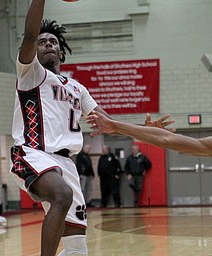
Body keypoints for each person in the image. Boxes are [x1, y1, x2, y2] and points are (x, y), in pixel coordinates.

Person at [9, 1, 173, 255]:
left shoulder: (78, 88)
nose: (48, 44)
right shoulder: (30, 74)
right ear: (33, 50)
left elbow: (108, 123)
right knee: (61, 196)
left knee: (77, 248)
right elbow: (30, 33)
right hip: (32, 153)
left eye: (53, 42)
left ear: (61, 53)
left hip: (66, 164)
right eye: (42, 42)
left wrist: (142, 128)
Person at [75, 143, 95, 207]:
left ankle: (88, 201)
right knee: (82, 189)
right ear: (83, 148)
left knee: (89, 189)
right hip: (83, 174)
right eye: (87, 148)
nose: (88, 150)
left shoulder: (88, 156)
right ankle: (82, 202)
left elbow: (90, 166)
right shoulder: (80, 156)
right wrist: (80, 173)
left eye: (89, 149)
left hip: (88, 174)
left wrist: (92, 173)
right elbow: (78, 165)